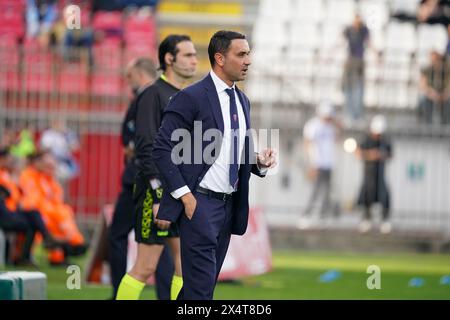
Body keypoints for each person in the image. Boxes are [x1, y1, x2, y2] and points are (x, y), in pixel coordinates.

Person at [152, 30, 277, 300]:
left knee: (200, 288)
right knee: (200, 293)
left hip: (228, 208)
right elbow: (162, 148)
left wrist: (258, 162)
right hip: (199, 205)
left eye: (248, 54)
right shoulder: (191, 97)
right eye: (241, 54)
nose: (248, 60)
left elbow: (233, 153)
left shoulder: (242, 100)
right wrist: (185, 196)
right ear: (220, 58)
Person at [115, 35, 198, 300]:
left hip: (178, 190)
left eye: (195, 54)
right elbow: (146, 146)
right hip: (156, 191)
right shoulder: (153, 94)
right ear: (169, 59)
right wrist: (158, 193)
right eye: (187, 55)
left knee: (184, 265)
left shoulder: (184, 96)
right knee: (146, 266)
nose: (194, 60)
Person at [108, 57, 174, 299]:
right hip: (154, 180)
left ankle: (119, 292)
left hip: (143, 181)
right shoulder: (163, 95)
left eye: (129, 76)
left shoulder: (148, 97)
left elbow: (140, 143)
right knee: (160, 245)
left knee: (124, 239)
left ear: (138, 73)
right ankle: (165, 295)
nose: (128, 81)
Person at [19, 150, 86, 265]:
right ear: (36, 162)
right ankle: (67, 246)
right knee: (55, 219)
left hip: (44, 213)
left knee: (62, 214)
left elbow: (56, 199)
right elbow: (33, 200)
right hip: (32, 213)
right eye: (47, 163)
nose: (49, 167)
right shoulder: (28, 175)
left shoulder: (47, 179)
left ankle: (66, 249)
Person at [0, 148, 62, 266]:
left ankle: (34, 250)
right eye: (9, 159)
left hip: (13, 210)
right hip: (5, 213)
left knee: (34, 215)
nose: (11, 162)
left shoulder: (8, 174)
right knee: (33, 218)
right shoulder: (15, 175)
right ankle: (46, 239)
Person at [297, 101, 341, 229]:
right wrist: (311, 163)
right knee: (314, 191)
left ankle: (323, 216)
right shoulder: (313, 125)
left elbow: (337, 137)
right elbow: (308, 143)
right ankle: (306, 215)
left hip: (329, 163)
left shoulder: (331, 127)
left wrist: (336, 123)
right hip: (316, 163)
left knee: (327, 192)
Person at [356, 115, 393, 234]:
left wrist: (381, 156)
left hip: (380, 174)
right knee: (367, 195)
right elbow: (358, 153)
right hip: (368, 174)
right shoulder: (366, 140)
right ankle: (366, 219)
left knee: (384, 196)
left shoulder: (385, 141)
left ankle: (384, 220)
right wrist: (371, 155)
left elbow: (390, 154)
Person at [342, 14, 373, 122]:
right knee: (348, 88)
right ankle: (349, 114)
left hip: (359, 62)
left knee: (358, 89)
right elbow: (341, 42)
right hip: (350, 61)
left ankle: (357, 114)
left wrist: (376, 54)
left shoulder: (364, 30)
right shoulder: (349, 30)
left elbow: (369, 43)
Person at [40, 117, 80, 183]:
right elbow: (43, 149)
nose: (58, 125)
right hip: (52, 161)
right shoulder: (48, 134)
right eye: (56, 122)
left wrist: (68, 143)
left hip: (65, 161)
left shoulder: (68, 133)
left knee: (64, 177)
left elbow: (75, 147)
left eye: (60, 123)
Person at [418, 50, 450, 124]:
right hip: (430, 94)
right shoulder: (427, 69)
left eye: (435, 59)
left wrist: (445, 94)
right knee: (424, 100)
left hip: (443, 94)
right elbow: (423, 85)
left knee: (448, 101)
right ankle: (428, 123)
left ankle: (444, 123)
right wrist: (432, 94)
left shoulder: (446, 70)